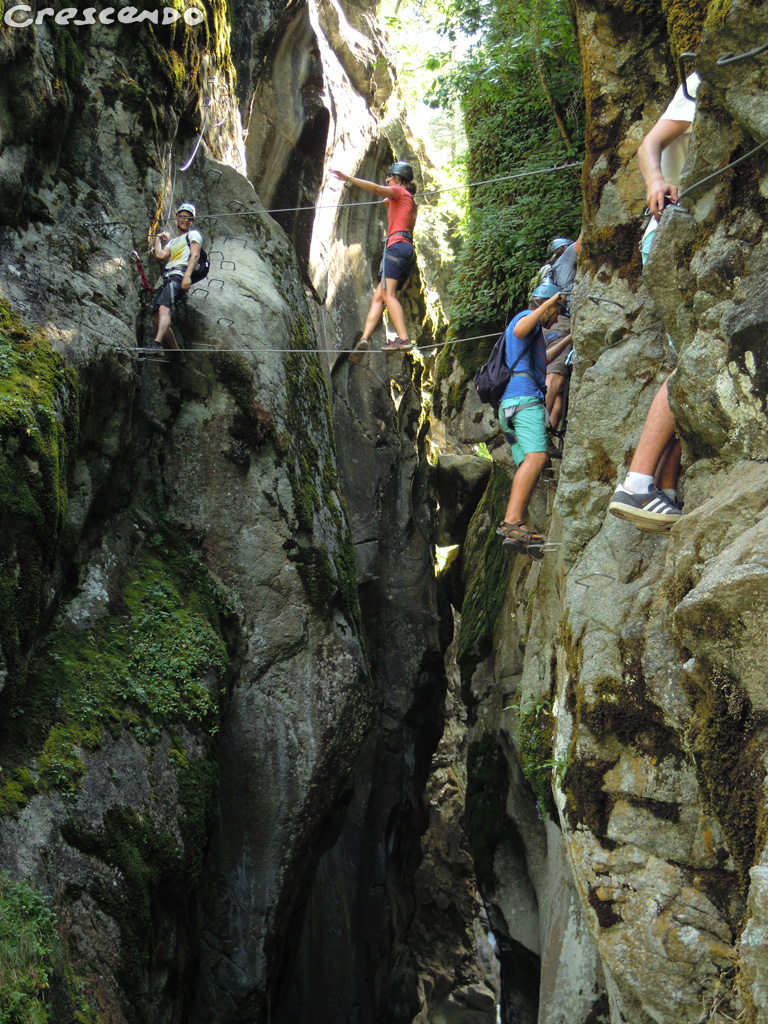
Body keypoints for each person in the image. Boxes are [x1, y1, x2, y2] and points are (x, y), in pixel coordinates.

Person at [608, 72, 699, 532]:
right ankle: (638, 482)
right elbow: (651, 143)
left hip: (685, 234)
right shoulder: (704, 77)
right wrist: (656, 181)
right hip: (670, 230)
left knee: (696, 363)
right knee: (693, 363)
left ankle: (660, 489)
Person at [496, 283, 573, 556]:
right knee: (538, 458)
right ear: (548, 305)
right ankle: (512, 522)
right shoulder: (523, 320)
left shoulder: (533, 336)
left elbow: (542, 362)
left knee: (529, 465)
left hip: (511, 407)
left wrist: (568, 339)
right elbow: (519, 327)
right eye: (556, 312)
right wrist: (549, 301)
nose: (555, 319)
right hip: (523, 402)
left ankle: (517, 527)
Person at [329, 162, 417, 360]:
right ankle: (365, 339)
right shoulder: (409, 201)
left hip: (396, 247)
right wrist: (389, 201)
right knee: (378, 296)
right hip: (405, 250)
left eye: (390, 177)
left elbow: (377, 190)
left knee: (388, 295)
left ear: (398, 179)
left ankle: (403, 339)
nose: (387, 180)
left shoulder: (400, 193)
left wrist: (348, 178)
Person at [151, 202, 202, 361]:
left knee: (164, 309)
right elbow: (160, 255)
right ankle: (176, 352)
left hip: (179, 276)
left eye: (189, 218)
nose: (185, 220)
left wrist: (187, 276)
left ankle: (157, 345)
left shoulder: (193, 235)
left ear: (192, 221)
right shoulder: (173, 242)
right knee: (155, 318)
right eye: (182, 217)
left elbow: (195, 255)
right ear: (177, 217)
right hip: (167, 278)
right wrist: (158, 239)